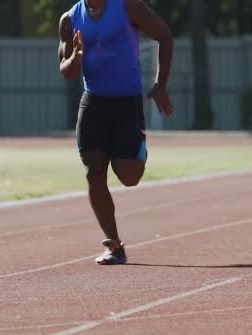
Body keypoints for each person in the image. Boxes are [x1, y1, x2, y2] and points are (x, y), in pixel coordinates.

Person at [58, 0, 174, 265]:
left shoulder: (128, 7)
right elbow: (67, 73)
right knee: (94, 170)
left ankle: (137, 147)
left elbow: (164, 36)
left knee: (129, 176)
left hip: (126, 102)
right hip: (93, 101)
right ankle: (114, 245)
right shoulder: (70, 19)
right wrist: (76, 57)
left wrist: (160, 85)